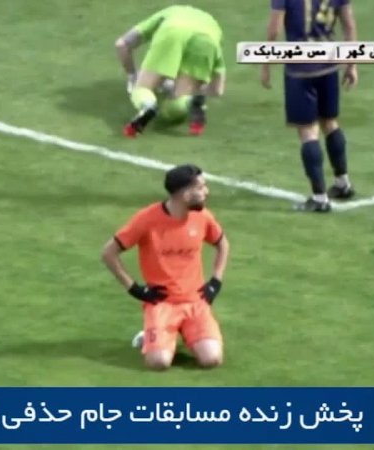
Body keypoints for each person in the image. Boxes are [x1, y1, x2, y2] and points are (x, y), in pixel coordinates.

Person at [100, 164, 230, 370]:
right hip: (162, 304)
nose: (207, 192)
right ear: (185, 195)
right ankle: (153, 337)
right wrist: (134, 288)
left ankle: (181, 333)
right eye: (201, 188)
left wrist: (216, 281)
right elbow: (108, 253)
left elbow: (222, 244)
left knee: (211, 359)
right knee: (159, 363)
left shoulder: (203, 216)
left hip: (195, 302)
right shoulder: (146, 219)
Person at [260, 0, 358, 212]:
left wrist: (265, 64)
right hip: (329, 66)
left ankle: (320, 198)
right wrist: (352, 65)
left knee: (308, 131)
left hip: (300, 70)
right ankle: (343, 183)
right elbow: (349, 26)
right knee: (330, 123)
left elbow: (274, 29)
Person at [114, 5, 227, 137]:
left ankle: (147, 106)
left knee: (142, 88)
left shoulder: (167, 13)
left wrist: (132, 76)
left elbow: (121, 44)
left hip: (172, 31)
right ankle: (190, 102)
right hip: (206, 42)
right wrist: (196, 89)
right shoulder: (214, 32)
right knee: (177, 101)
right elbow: (217, 90)